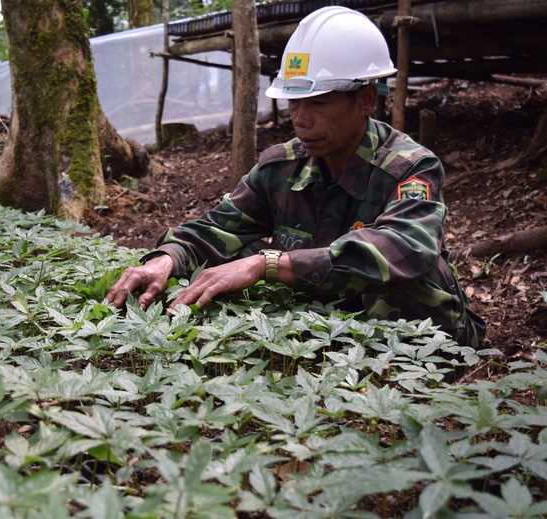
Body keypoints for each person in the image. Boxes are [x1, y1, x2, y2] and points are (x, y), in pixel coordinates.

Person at [106, 6, 485, 347]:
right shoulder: (281, 166)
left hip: (425, 334)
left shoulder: (409, 166)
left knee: (395, 285)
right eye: (293, 102)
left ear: (366, 99)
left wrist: (266, 264)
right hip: (329, 323)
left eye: (318, 103)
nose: (301, 119)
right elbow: (218, 229)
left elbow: (406, 250)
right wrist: (167, 259)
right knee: (236, 259)